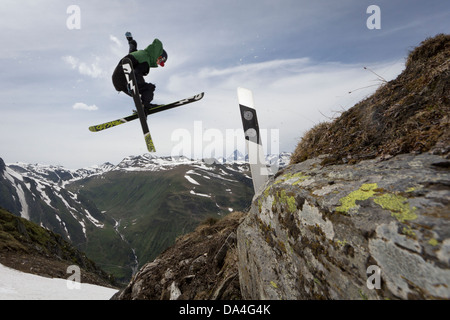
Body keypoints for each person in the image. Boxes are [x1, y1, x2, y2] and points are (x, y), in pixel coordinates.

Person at [112, 32, 168, 109]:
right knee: (149, 88)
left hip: (117, 80)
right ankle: (145, 105)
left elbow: (132, 47)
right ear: (159, 55)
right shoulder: (145, 60)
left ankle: (144, 106)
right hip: (125, 77)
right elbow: (137, 72)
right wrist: (132, 85)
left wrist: (130, 39)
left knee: (142, 89)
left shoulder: (137, 54)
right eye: (161, 61)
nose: (159, 64)